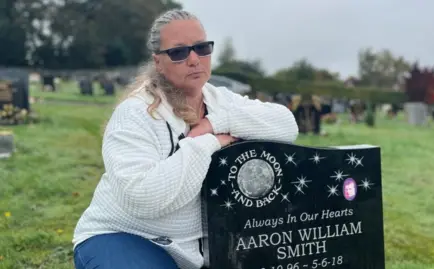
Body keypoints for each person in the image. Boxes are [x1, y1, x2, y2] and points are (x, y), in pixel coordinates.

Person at [72, 9, 299, 269]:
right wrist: (211, 142)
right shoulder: (136, 112)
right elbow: (142, 197)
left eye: (202, 48)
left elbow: (286, 125)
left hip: (201, 248)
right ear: (158, 61)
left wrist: (215, 123)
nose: (194, 59)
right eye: (179, 52)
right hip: (126, 235)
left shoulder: (221, 100)